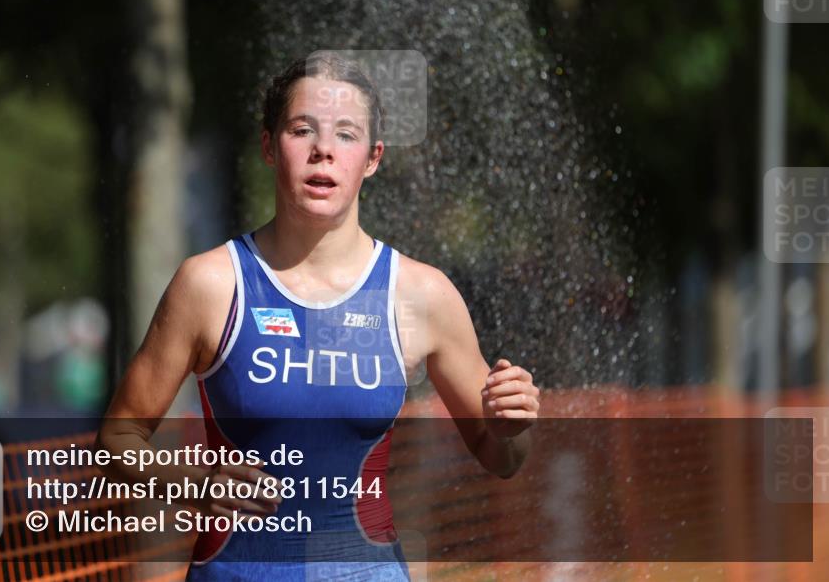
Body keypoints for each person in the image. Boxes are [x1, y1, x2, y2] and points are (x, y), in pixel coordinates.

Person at [97, 53, 541, 581]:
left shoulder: (421, 294)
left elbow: (502, 458)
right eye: (302, 130)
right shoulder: (210, 285)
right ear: (268, 145)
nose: (323, 151)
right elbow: (117, 441)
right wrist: (192, 481)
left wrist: (511, 428)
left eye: (346, 135)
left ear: (373, 158)